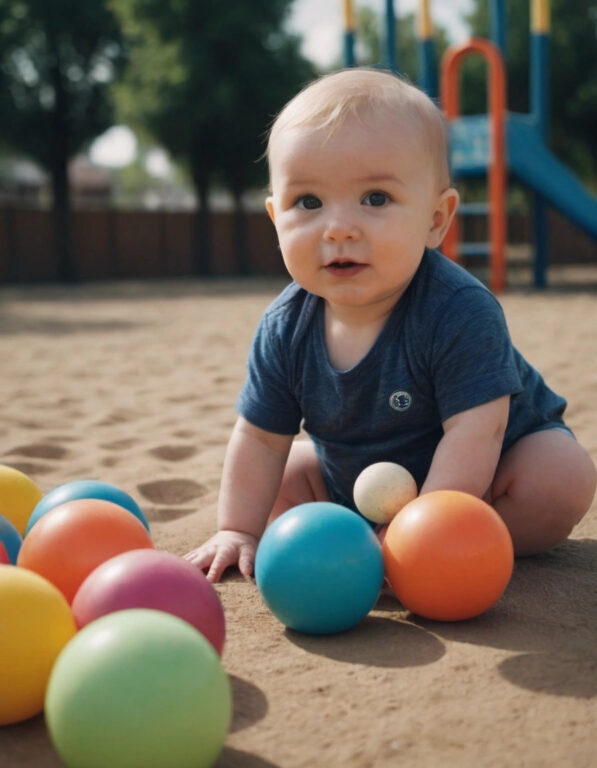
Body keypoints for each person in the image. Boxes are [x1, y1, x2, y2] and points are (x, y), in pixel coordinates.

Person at [184, 68, 596, 582]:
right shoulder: (283, 328)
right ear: (275, 219)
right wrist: (237, 529)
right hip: (354, 481)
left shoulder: (458, 309)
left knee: (561, 475)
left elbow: (477, 432)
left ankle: (457, 542)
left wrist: (421, 531)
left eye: (375, 199)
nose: (338, 228)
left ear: (436, 219)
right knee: (283, 481)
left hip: (490, 471)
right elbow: (262, 439)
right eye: (307, 202)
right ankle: (364, 541)